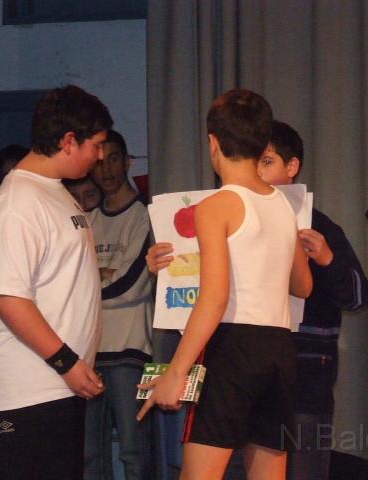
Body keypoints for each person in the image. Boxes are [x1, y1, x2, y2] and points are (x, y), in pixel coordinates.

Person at [148, 120, 368, 480]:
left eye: (266, 162)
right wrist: (168, 266)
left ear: (292, 166)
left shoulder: (313, 225)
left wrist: (327, 259)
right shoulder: (226, 210)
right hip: (238, 363)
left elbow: (356, 295)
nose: (256, 170)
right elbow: (207, 291)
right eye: (254, 160)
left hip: (300, 375)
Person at [137, 90, 313, 480]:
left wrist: (176, 371)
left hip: (233, 348)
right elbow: (303, 285)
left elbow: (214, 298)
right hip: (279, 348)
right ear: (263, 144)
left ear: (213, 143)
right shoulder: (284, 206)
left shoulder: (216, 206)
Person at [0, 85, 113, 480]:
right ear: (69, 141)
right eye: (96, 145)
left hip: (57, 385)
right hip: (26, 389)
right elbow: (7, 297)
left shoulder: (56, 192)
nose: (100, 155)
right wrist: (66, 362)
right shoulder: (17, 202)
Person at [84, 129, 154, 480]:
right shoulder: (87, 221)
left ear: (127, 162)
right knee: (89, 455)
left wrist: (95, 278)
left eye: (113, 159)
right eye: (98, 162)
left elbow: (133, 287)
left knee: (133, 452)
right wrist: (106, 273)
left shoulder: (146, 216)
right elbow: (73, 284)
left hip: (131, 352)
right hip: (90, 354)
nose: (106, 170)